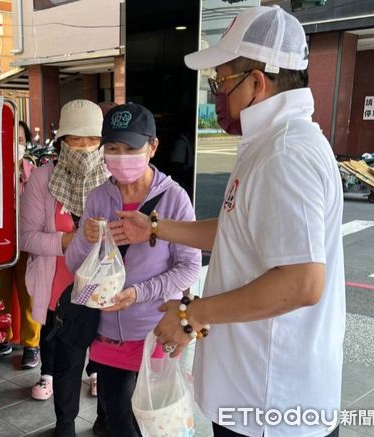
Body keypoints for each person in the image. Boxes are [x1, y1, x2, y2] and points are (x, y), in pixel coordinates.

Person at [109, 6, 345, 437]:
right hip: (250, 388)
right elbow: (238, 230)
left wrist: (192, 315)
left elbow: (302, 282)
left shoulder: (286, 153)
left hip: (270, 402)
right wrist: (157, 227)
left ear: (257, 82)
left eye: (221, 82)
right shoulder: (267, 143)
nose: (216, 95)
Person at [66, 103, 202, 437]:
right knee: (119, 421)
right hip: (106, 333)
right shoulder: (99, 197)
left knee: (153, 424)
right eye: (112, 148)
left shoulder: (174, 199)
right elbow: (74, 264)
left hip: (154, 334)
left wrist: (139, 293)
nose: (121, 157)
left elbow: (189, 267)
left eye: (131, 148)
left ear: (152, 147)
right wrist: (84, 239)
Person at [19, 100, 107, 430]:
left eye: (92, 139)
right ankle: (65, 423)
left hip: (104, 287)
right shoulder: (43, 179)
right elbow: (26, 238)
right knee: (68, 360)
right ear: (61, 141)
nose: (85, 148)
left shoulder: (112, 177)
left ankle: (105, 418)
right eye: (76, 139)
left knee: (105, 355)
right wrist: (68, 240)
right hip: (61, 288)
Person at [0, 120, 41, 369]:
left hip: (27, 241)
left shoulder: (34, 172)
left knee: (29, 293)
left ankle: (32, 344)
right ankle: (2, 339)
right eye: (10, 138)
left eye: (20, 139)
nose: (16, 144)